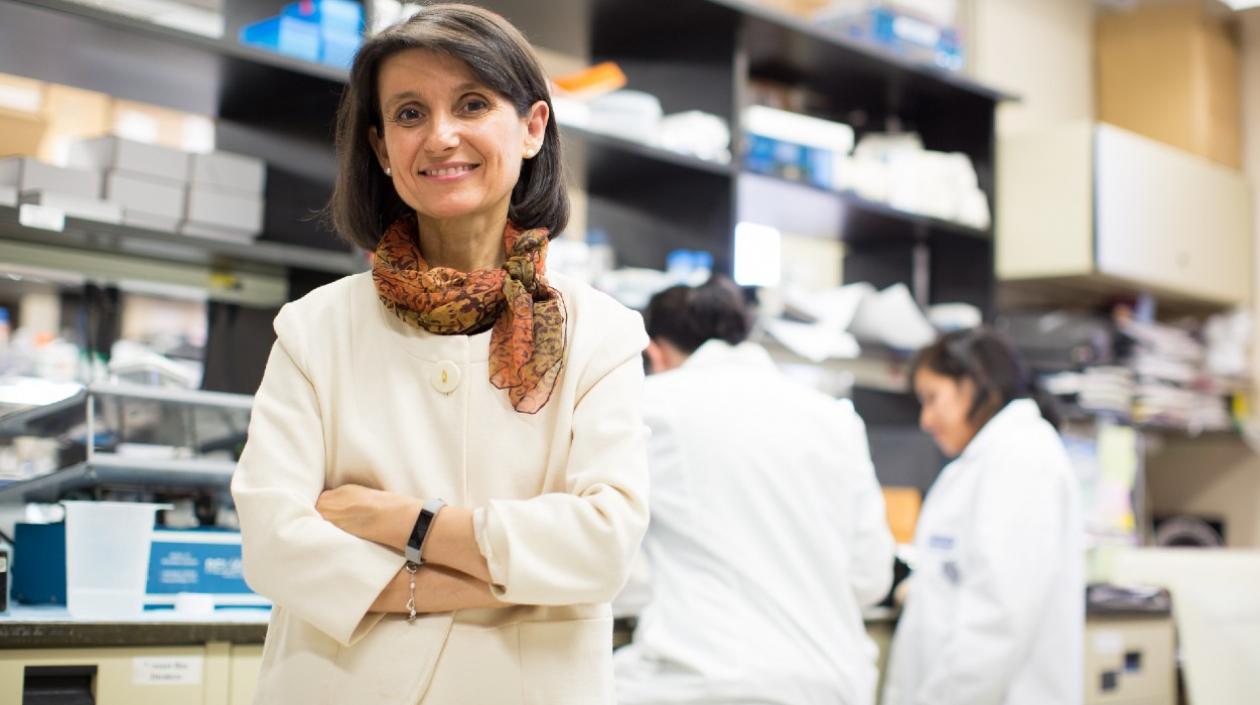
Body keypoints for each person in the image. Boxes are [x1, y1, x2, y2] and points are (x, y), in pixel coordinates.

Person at [230, 6, 650, 704]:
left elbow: (602, 546)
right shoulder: (315, 328)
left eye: (473, 103)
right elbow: (274, 538)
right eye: (409, 113)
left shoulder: (599, 334)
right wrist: (495, 579)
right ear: (382, 146)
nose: (441, 135)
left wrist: (406, 523)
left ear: (532, 128)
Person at [614, 276, 895, 705]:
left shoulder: (653, 404)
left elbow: (608, 553)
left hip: (709, 683)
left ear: (655, 351)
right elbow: (870, 579)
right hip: (835, 682)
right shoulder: (836, 418)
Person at [883, 327, 1084, 705]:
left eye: (932, 398)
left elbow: (998, 620)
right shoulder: (983, 461)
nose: (925, 420)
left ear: (974, 383)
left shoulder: (1021, 457)